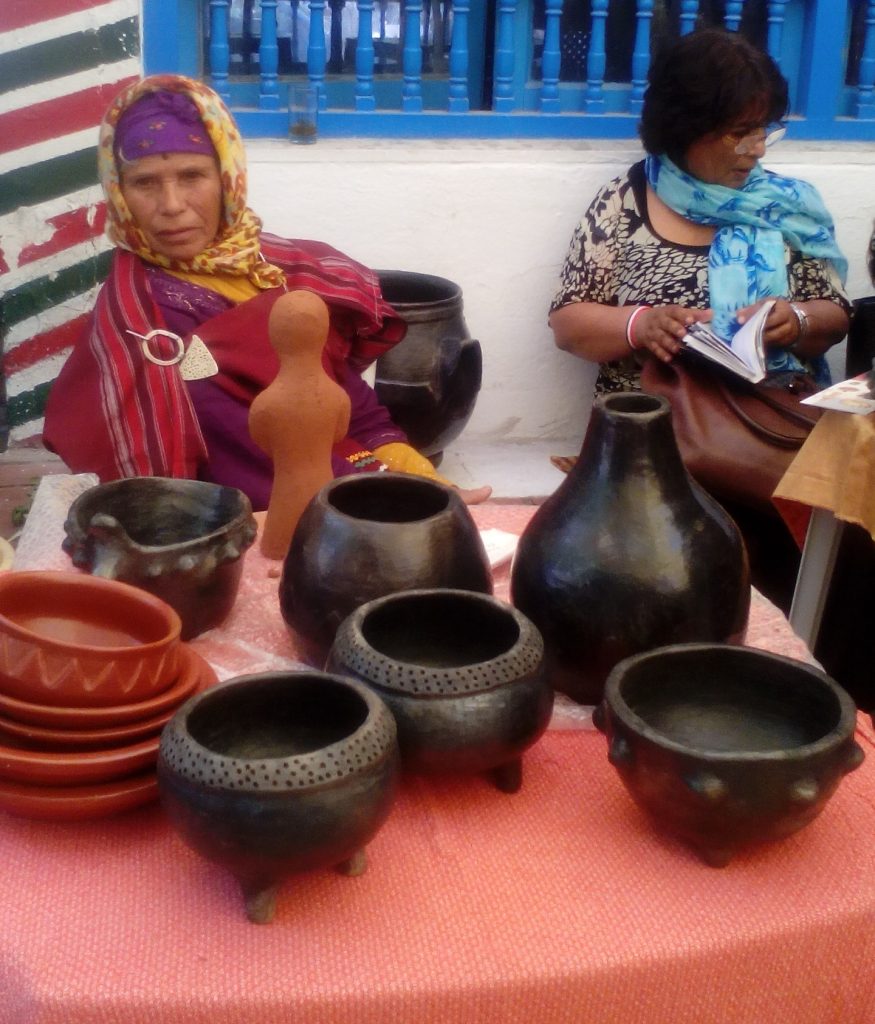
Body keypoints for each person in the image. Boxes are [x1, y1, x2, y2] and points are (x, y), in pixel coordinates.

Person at [43, 74, 490, 510]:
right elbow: (240, 439)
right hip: (258, 508)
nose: (172, 205)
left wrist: (406, 465)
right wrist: (388, 492)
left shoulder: (272, 266)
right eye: (144, 183)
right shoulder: (147, 328)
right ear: (119, 193)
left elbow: (333, 384)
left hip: (341, 467)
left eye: (192, 175)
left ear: (227, 178)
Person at [548, 28, 850, 612]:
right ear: (684, 126)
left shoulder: (788, 207)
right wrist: (641, 325)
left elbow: (835, 315)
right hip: (650, 451)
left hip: (770, 440)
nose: (757, 150)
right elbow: (569, 323)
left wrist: (793, 318)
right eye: (739, 132)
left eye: (765, 130)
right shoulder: (624, 202)